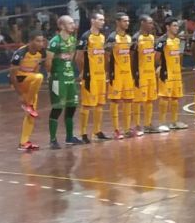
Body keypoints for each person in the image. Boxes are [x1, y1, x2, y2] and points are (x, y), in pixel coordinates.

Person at [45, 15, 81, 149]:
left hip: (69, 78)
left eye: (73, 23)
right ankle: (53, 139)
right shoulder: (55, 41)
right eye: (70, 23)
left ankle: (69, 137)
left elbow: (71, 57)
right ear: (62, 26)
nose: (73, 25)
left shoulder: (72, 40)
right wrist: (51, 74)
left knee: (72, 107)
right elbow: (48, 61)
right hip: (58, 78)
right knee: (57, 107)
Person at [9, 30, 46, 151]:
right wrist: (19, 94)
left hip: (31, 82)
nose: (41, 43)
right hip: (20, 80)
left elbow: (36, 69)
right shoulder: (20, 53)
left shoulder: (41, 53)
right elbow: (12, 75)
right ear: (31, 41)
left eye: (42, 41)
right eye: (38, 41)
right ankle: (28, 104)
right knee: (39, 77)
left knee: (31, 115)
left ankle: (23, 142)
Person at [76, 12, 109, 143]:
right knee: (87, 104)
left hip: (101, 75)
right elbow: (78, 57)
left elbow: (103, 55)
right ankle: (83, 133)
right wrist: (83, 71)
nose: (103, 22)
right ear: (93, 21)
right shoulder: (85, 37)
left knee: (100, 104)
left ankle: (97, 131)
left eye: (103, 20)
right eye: (100, 20)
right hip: (90, 75)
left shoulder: (101, 37)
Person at [132, 15, 168, 133]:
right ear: (142, 23)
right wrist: (135, 74)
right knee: (138, 100)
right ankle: (137, 125)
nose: (152, 25)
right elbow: (132, 57)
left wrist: (157, 67)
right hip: (140, 74)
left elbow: (153, 56)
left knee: (150, 99)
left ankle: (148, 124)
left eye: (152, 23)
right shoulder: (136, 38)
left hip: (150, 73)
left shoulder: (152, 38)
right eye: (149, 23)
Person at [106, 13, 137, 138]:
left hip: (127, 74)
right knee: (115, 100)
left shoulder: (129, 38)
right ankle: (116, 130)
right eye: (124, 21)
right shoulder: (112, 38)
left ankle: (127, 128)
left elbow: (130, 55)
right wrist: (109, 72)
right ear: (118, 22)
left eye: (128, 21)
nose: (127, 23)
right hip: (116, 74)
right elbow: (106, 55)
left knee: (128, 99)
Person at [156, 17, 188, 129]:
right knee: (164, 97)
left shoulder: (177, 40)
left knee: (175, 98)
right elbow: (157, 57)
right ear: (167, 27)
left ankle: (174, 122)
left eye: (177, 26)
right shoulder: (162, 40)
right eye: (174, 26)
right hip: (166, 73)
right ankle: (162, 122)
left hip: (176, 73)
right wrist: (159, 67)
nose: (176, 28)